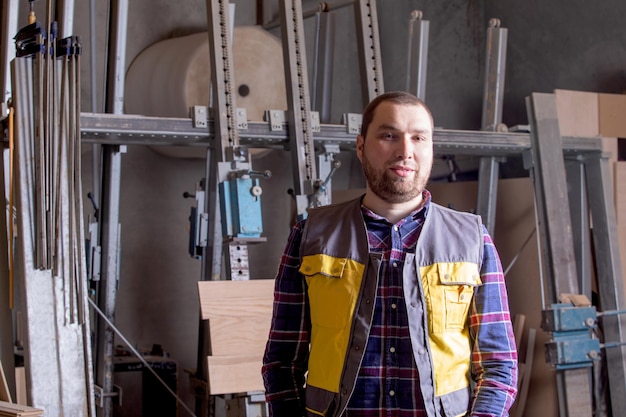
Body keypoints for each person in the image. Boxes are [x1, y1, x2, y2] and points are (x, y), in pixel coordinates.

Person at [262, 91, 518, 417]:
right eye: (389, 135)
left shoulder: (472, 239)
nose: (405, 151)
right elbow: (282, 362)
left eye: (418, 138)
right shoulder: (311, 235)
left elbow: (498, 364)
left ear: (430, 149)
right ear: (360, 146)